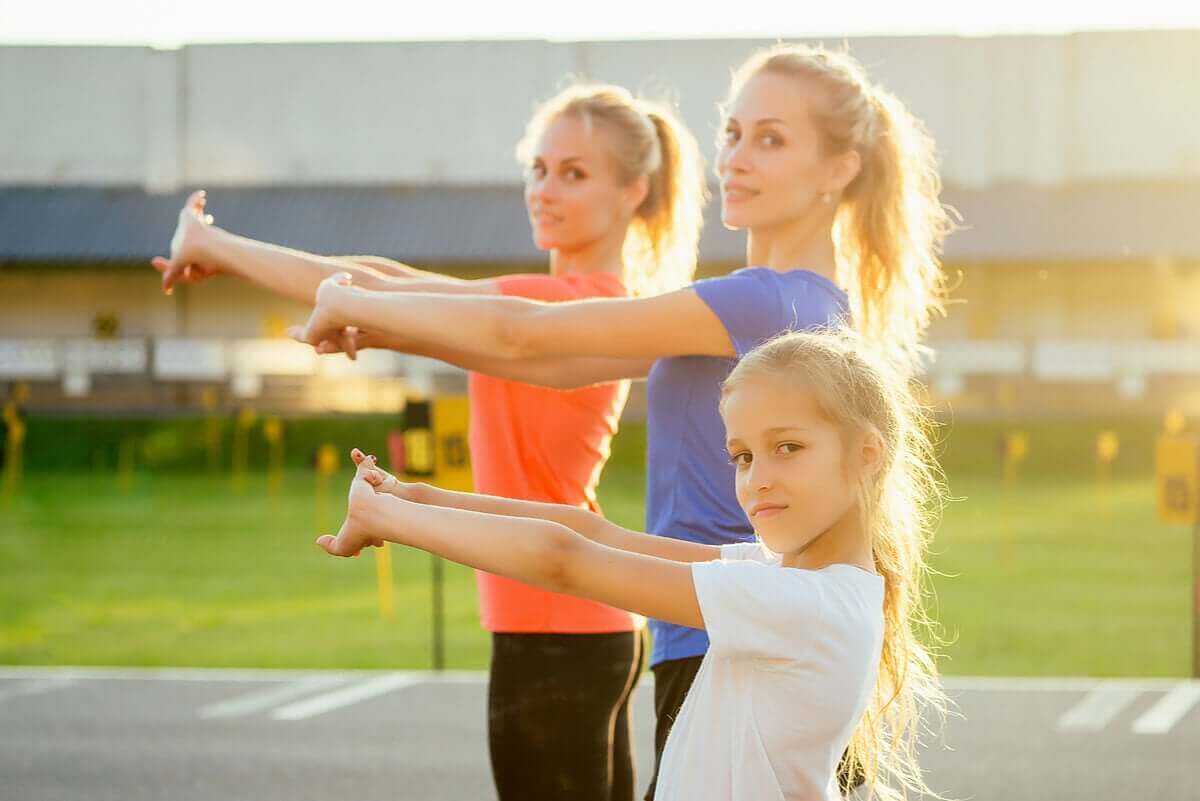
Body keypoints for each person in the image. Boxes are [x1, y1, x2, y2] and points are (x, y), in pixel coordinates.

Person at [285, 42, 954, 796]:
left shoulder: (767, 302)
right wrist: (407, 494)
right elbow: (578, 502)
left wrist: (361, 309)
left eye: (770, 138)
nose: (734, 157)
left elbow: (527, 342)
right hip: (705, 632)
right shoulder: (796, 315)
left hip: (715, 638)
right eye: (731, 133)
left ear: (842, 167)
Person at [151, 84, 707, 801]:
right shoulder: (568, 303)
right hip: (582, 622)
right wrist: (374, 316)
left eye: (575, 172)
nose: (545, 188)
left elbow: (385, 282)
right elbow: (389, 289)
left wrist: (216, 246)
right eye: (538, 169)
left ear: (635, 190)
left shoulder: (574, 304)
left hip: (552, 625)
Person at [323, 329, 950, 801]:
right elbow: (594, 531)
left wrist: (390, 522)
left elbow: (563, 560)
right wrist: (418, 497)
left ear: (869, 454)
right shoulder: (788, 578)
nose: (758, 479)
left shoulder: (803, 605)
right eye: (741, 456)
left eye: (788, 447)